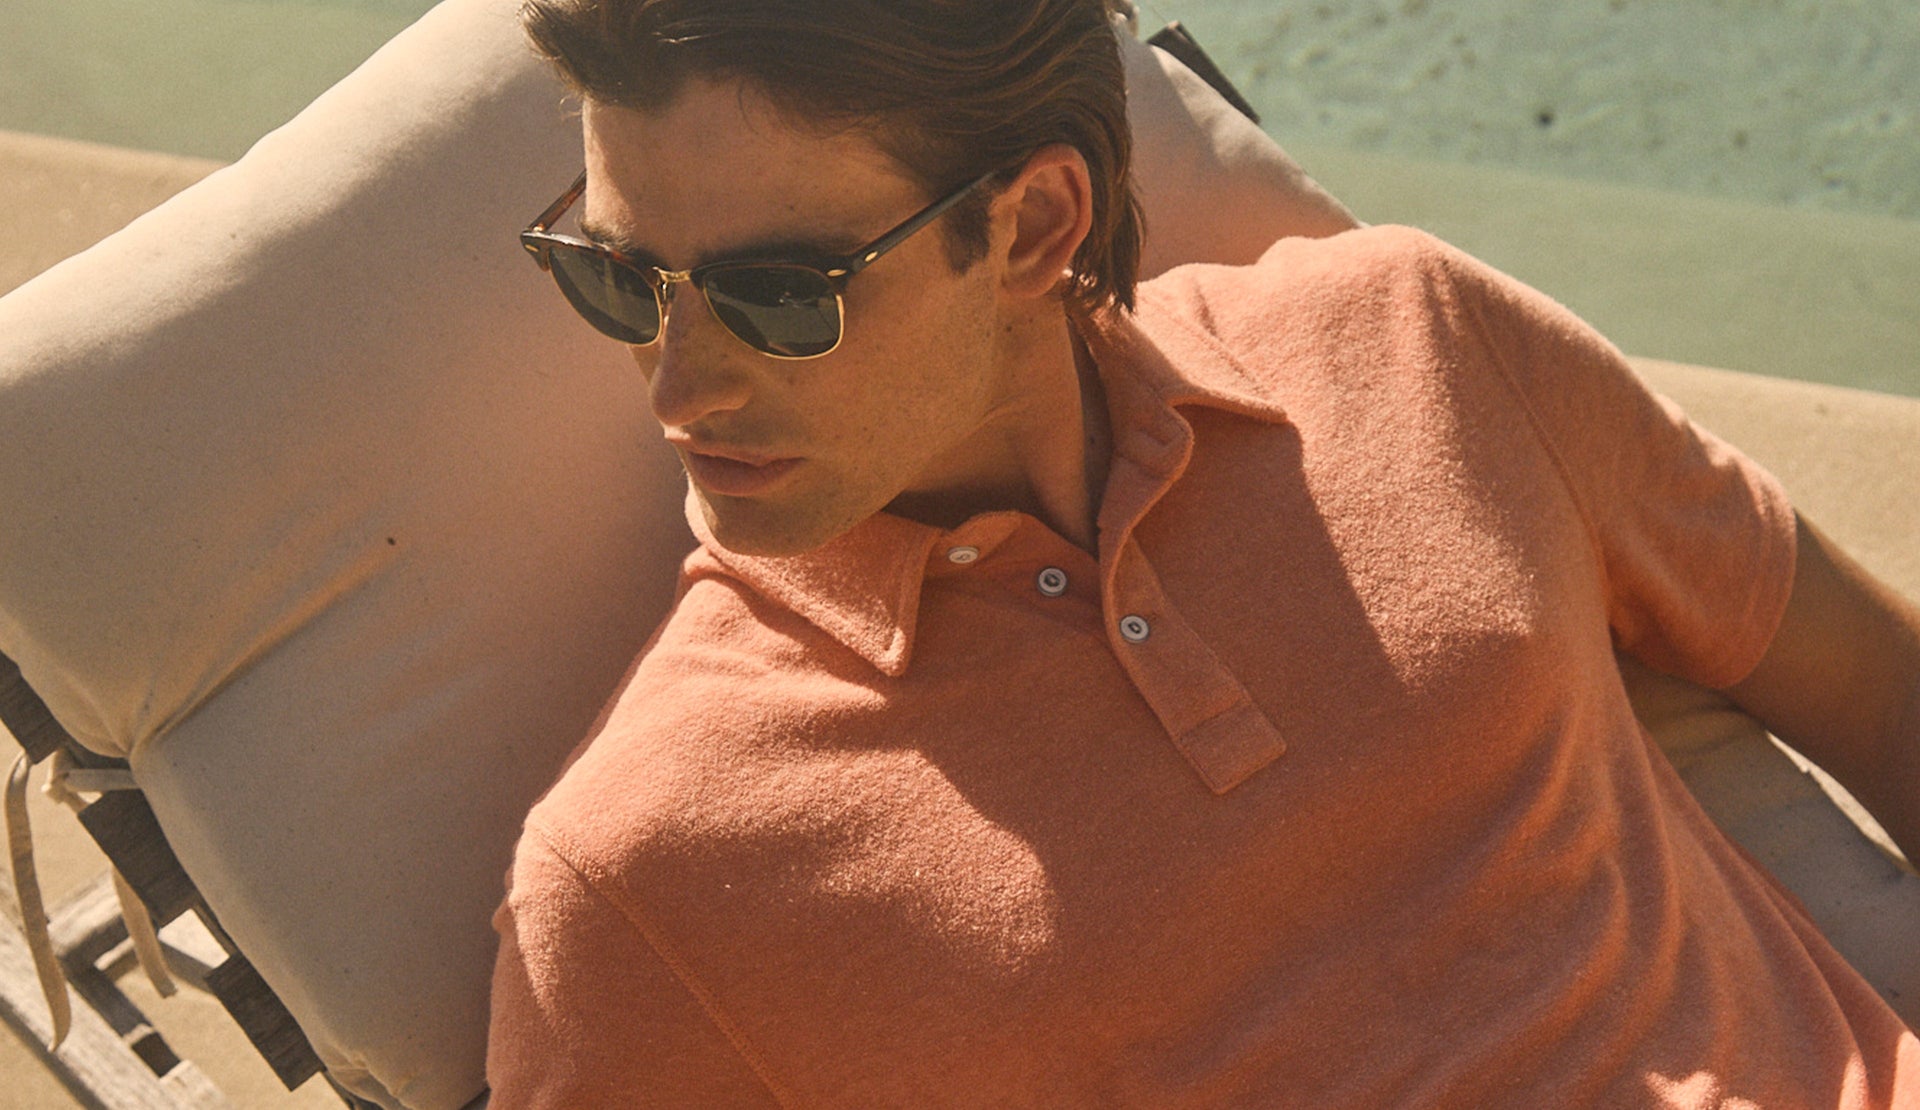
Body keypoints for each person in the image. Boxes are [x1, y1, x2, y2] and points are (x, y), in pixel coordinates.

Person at [486, 0, 1920, 1104]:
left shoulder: (1419, 341)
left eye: (778, 296)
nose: (679, 386)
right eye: (619, 279)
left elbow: (1880, 691)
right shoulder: (645, 880)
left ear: (1035, 225)